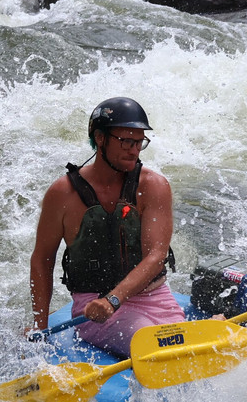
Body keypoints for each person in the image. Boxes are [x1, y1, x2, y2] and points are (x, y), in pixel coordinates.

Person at [28, 96, 186, 357]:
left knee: (179, 346)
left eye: (139, 143)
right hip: (94, 310)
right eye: (126, 141)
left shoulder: (154, 186)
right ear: (100, 138)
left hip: (155, 300)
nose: (134, 151)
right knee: (153, 345)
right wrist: (39, 327)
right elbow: (42, 259)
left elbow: (157, 256)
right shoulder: (63, 193)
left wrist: (115, 298)